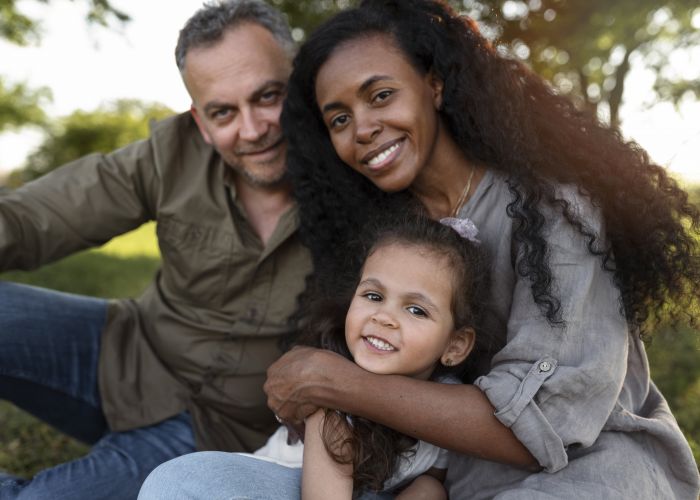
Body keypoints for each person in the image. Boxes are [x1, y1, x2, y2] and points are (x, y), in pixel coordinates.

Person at [140, 0, 700, 498]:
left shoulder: (553, 211)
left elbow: (540, 429)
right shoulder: (389, 230)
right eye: (340, 118)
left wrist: (337, 382)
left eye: (381, 95)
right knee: (182, 483)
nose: (362, 128)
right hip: (420, 476)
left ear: (433, 84)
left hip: (582, 477)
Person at [0, 1, 312, 498]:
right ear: (201, 122)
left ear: (300, 81)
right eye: (224, 112)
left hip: (216, 431)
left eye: (268, 96)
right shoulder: (172, 153)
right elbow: (35, 217)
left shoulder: (356, 177)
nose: (252, 129)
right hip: (126, 357)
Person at [140, 211, 489, 499]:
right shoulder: (331, 401)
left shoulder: (445, 408)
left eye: (416, 310)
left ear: (455, 346)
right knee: (176, 483)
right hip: (282, 487)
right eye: (373, 296)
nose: (383, 317)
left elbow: (429, 485)